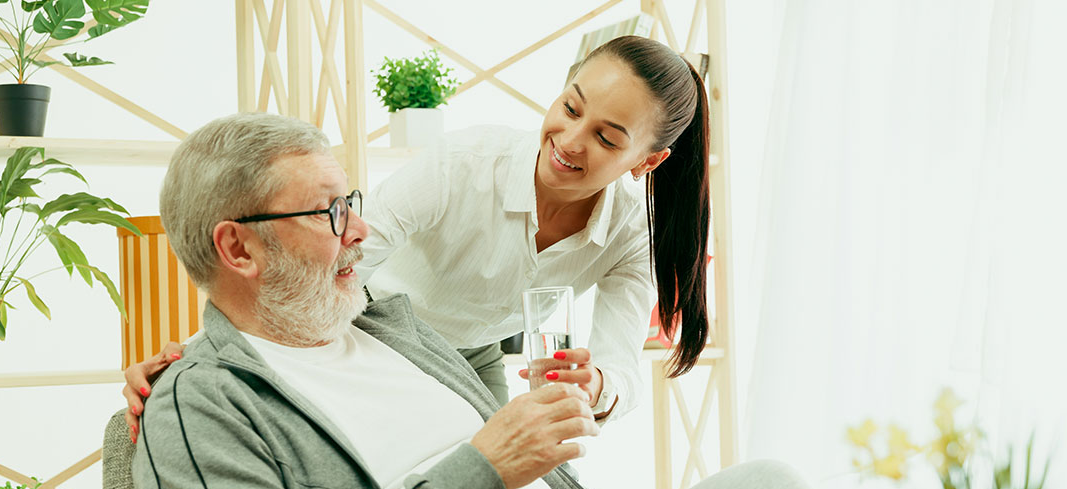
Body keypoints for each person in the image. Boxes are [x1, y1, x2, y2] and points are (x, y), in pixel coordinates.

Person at [132, 113, 861, 489]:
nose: (360, 228)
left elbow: (547, 437)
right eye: (329, 213)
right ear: (239, 250)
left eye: (351, 201)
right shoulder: (202, 404)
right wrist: (481, 467)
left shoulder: (392, 324)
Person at [121, 35, 713, 439]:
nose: (571, 139)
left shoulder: (632, 235)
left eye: (608, 139)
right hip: (375, 325)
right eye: (570, 107)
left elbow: (621, 367)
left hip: (475, 357)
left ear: (648, 161)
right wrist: (196, 352)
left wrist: (599, 384)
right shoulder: (465, 163)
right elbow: (344, 252)